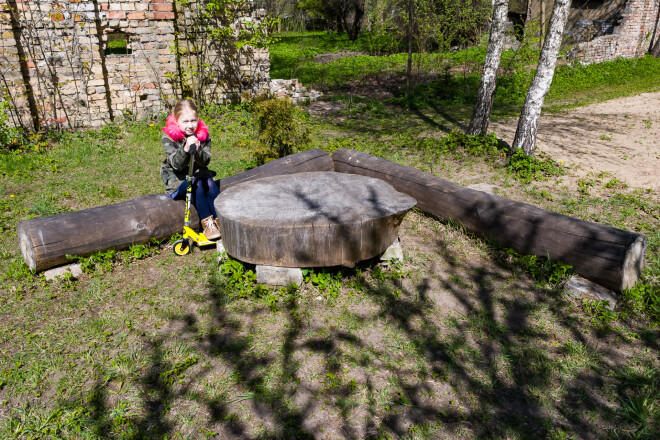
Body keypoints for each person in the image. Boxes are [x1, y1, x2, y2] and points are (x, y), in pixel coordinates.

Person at [160, 99, 221, 240]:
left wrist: (198, 149)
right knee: (197, 185)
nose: (190, 126)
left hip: (199, 176)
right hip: (178, 180)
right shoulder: (169, 138)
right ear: (176, 121)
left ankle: (221, 220)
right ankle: (207, 224)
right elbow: (176, 164)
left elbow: (206, 160)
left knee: (210, 184)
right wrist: (186, 149)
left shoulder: (203, 135)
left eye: (193, 121)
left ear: (198, 119)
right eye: (185, 122)